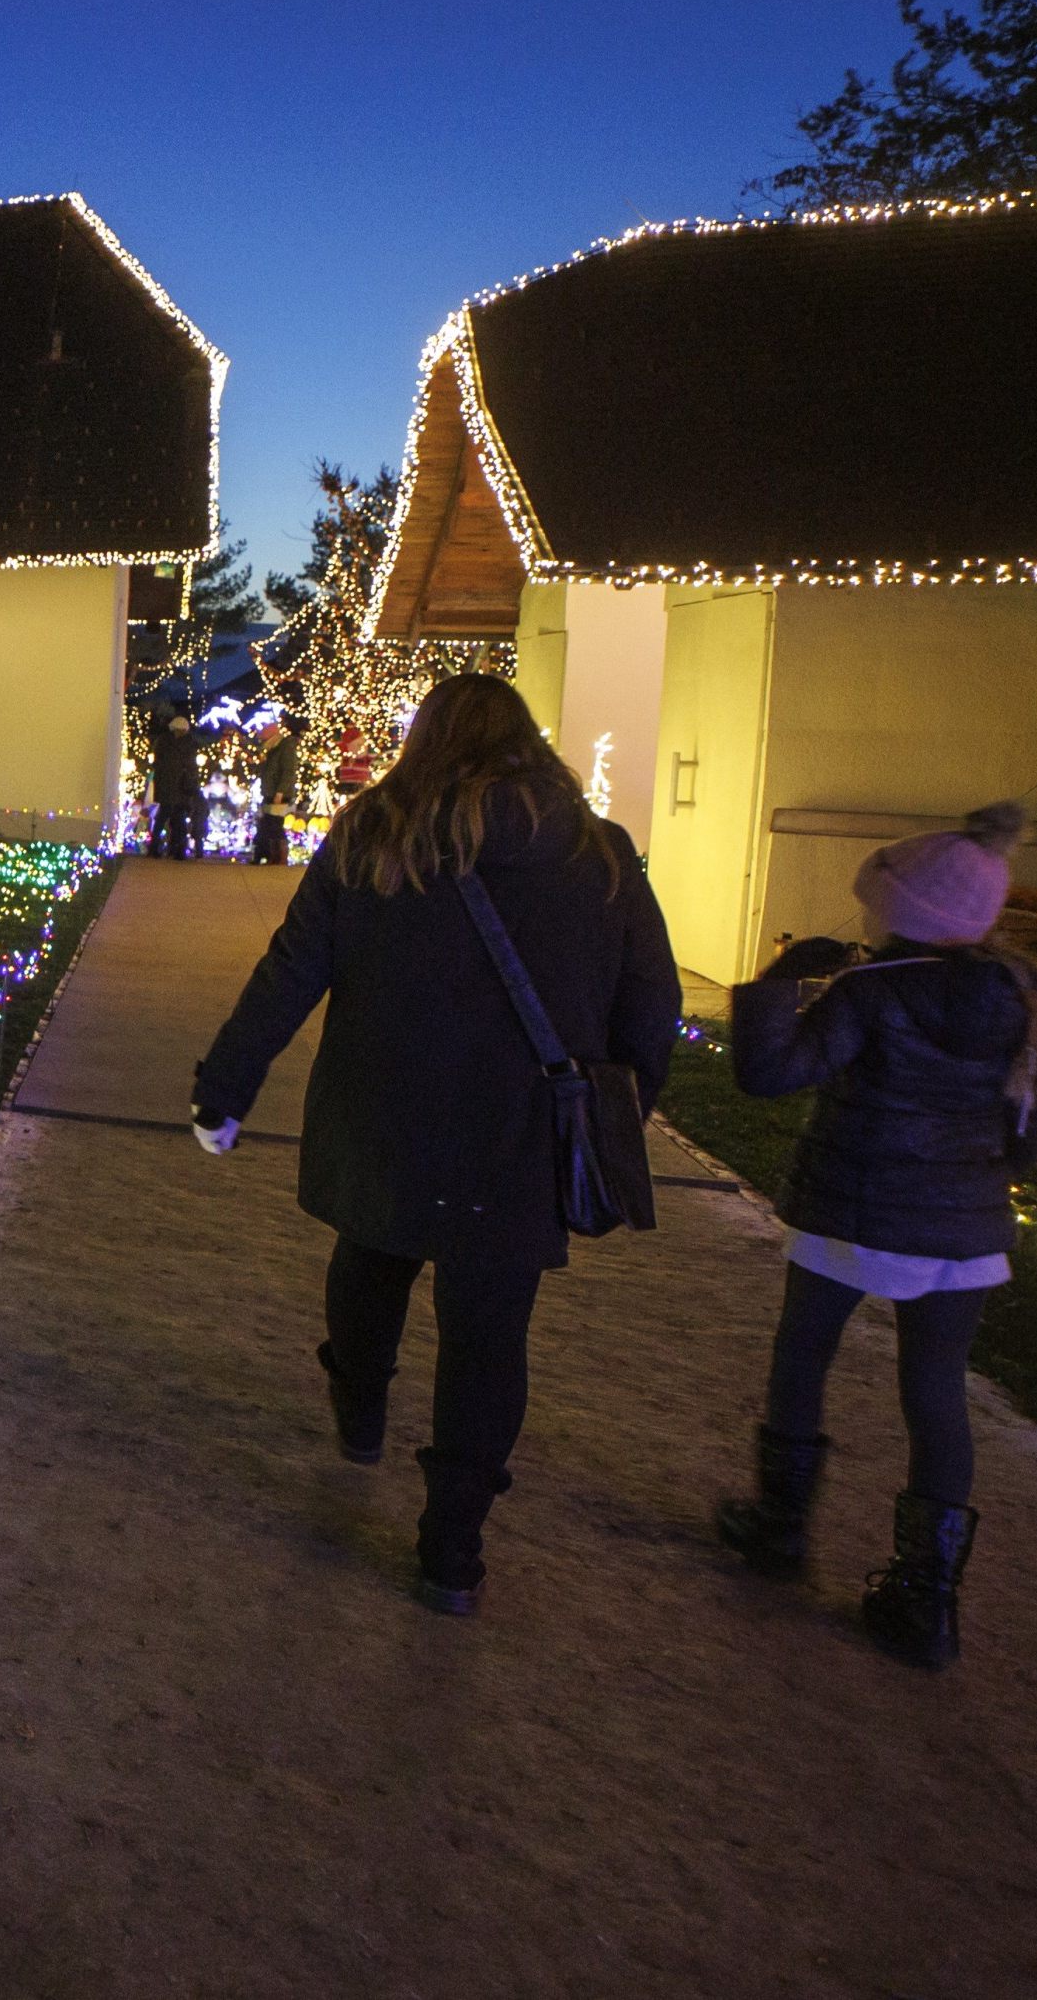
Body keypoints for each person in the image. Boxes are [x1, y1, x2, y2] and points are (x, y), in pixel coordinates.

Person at [188, 674, 681, 1612]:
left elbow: (291, 970)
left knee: (370, 1262)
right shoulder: (597, 854)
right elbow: (650, 1006)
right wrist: (618, 1106)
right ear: (530, 746)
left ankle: (361, 1401)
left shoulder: (374, 835)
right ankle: (451, 1546)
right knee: (489, 1335)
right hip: (521, 1135)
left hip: (384, 1116)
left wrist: (225, 1087)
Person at [711, 802, 1031, 1669]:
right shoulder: (1013, 996)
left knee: (802, 1356)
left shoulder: (870, 990)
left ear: (905, 911)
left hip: (854, 1209)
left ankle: (779, 1528)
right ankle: (924, 1601)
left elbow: (770, 1073)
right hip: (961, 1230)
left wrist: (780, 982)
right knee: (936, 1397)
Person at [148, 704, 205, 860]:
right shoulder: (188, 744)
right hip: (180, 789)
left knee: (165, 819)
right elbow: (191, 767)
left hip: (170, 789)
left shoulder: (163, 742)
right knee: (177, 821)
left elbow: (158, 766)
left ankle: (159, 848)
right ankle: (177, 849)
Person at [252, 720, 304, 865]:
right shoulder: (272, 748)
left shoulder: (284, 747)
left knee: (273, 824)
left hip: (278, 794)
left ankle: (278, 856)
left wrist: (280, 792)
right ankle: (267, 855)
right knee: (267, 824)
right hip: (270, 792)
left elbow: (288, 771)